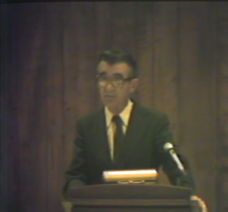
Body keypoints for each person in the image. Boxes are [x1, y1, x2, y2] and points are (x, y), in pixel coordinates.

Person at [62, 49, 197, 199]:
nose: (108, 87)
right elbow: (76, 174)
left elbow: (174, 166)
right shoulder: (87, 126)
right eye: (103, 78)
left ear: (133, 85)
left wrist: (189, 195)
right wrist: (75, 200)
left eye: (117, 80)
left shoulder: (154, 122)